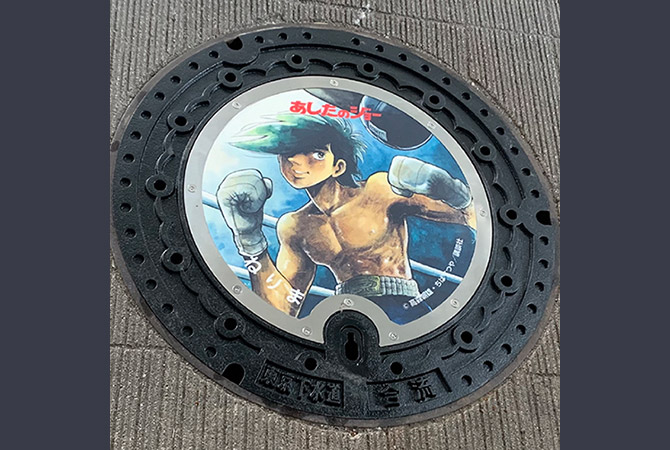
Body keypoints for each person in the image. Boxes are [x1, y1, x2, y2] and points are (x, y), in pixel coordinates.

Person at [216, 113, 476, 322]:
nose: (296, 162)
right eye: (289, 153)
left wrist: (451, 191)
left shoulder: (378, 190)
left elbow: (470, 216)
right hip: (344, 315)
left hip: (405, 306)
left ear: (338, 166)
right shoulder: (295, 226)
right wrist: (249, 237)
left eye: (316, 153)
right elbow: (281, 310)